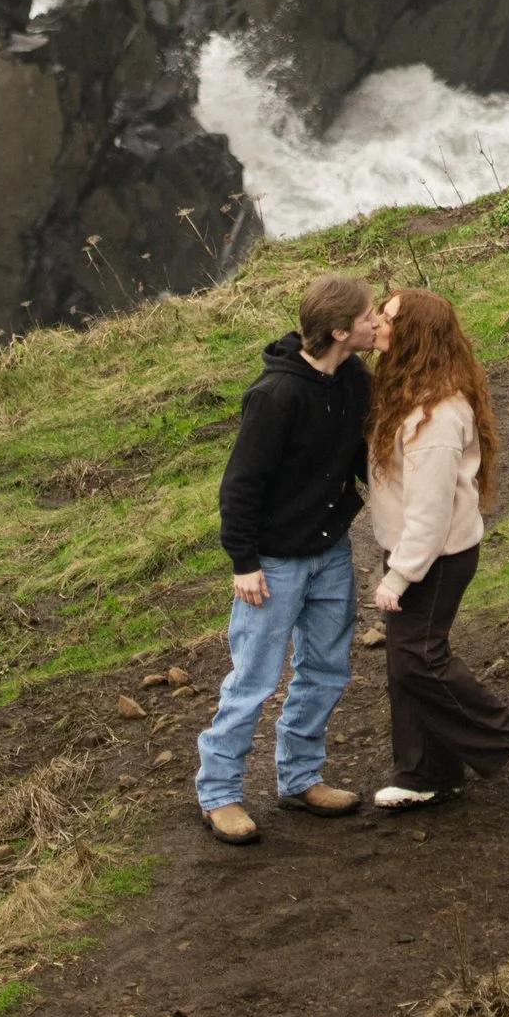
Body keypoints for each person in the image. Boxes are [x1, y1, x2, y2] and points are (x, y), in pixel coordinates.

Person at [193, 269, 375, 844]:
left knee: (325, 669)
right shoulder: (275, 395)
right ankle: (218, 792)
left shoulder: (354, 379)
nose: (378, 323)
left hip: (330, 553)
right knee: (253, 679)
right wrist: (242, 562)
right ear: (342, 330)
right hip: (270, 565)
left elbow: (361, 460)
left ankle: (299, 779)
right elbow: (240, 485)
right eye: (370, 316)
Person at [362, 286, 509, 809]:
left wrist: (400, 576)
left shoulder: (437, 416)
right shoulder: (408, 390)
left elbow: (431, 510)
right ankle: (427, 773)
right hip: (417, 550)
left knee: (419, 659)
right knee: (405, 662)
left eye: (389, 318)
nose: (377, 322)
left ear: (414, 336)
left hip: (434, 557)